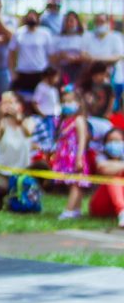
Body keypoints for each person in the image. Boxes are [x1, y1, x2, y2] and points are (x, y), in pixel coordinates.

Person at [0, 92, 33, 209]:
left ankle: (18, 198)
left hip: (22, 171)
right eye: (4, 103)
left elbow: (28, 132)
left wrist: (18, 117)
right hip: (2, 170)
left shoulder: (29, 121)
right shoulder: (2, 123)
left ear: (20, 105)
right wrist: (0, 117)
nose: (8, 106)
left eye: (11, 102)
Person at [53, 87, 90, 221]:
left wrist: (79, 158)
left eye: (70, 101)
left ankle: (69, 210)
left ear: (78, 103)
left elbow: (82, 139)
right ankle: (76, 209)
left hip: (75, 156)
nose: (66, 104)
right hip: (66, 157)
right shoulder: (64, 121)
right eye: (64, 102)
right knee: (74, 183)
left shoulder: (79, 120)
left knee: (76, 183)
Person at [80, 15, 124, 110]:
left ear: (108, 23)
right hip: (93, 81)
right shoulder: (88, 36)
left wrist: (95, 59)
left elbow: (118, 56)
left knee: (112, 104)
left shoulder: (116, 37)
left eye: (102, 21)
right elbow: (83, 55)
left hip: (114, 78)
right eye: (97, 21)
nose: (100, 24)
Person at [9, 10, 53, 98]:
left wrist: (50, 73)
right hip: (23, 72)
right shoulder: (18, 33)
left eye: (33, 17)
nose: (31, 19)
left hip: (40, 72)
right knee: (21, 98)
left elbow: (51, 54)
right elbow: (11, 53)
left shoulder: (45, 33)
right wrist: (12, 71)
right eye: (29, 17)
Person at [88, 127, 124, 229]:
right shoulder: (100, 156)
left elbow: (105, 166)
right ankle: (122, 212)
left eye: (116, 141)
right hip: (101, 205)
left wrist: (111, 166)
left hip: (114, 208)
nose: (113, 144)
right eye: (110, 141)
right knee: (113, 179)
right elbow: (103, 169)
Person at [49, 11, 86, 86]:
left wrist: (75, 59)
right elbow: (51, 58)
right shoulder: (57, 39)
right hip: (62, 71)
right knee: (65, 87)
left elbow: (87, 57)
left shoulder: (83, 38)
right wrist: (61, 56)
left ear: (77, 22)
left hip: (78, 71)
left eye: (71, 21)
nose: (69, 24)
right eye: (67, 21)